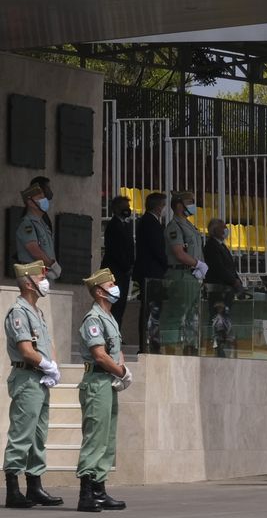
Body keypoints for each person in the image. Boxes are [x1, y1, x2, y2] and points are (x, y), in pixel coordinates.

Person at [4, 260, 60, 508]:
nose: (43, 282)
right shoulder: (19, 312)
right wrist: (46, 365)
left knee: (38, 435)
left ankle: (34, 486)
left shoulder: (37, 311)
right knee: (22, 433)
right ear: (28, 282)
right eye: (39, 278)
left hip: (40, 378)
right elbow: (26, 350)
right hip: (27, 377)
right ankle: (13, 489)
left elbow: (47, 344)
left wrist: (53, 366)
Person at [76, 268, 130, 512]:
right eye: (110, 285)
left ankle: (99, 489)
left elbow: (115, 349)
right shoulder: (94, 319)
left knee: (107, 440)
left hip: (108, 382)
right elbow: (99, 354)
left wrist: (121, 367)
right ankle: (86, 494)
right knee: (95, 438)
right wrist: (122, 373)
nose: (114, 288)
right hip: (97, 381)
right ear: (99, 291)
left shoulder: (109, 317)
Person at [159, 191, 207, 356]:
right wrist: (198, 264)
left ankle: (189, 348)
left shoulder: (189, 225)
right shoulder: (175, 226)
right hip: (180, 274)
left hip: (191, 276)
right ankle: (170, 349)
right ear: (179, 205)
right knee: (176, 314)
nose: (193, 205)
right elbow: (179, 253)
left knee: (192, 315)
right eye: (190, 202)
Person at [202, 219, 245, 358]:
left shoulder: (222, 246)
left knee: (224, 318)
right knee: (217, 318)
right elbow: (219, 268)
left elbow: (230, 267)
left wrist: (237, 280)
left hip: (226, 289)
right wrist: (233, 281)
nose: (226, 230)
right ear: (214, 230)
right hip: (218, 288)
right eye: (223, 228)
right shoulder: (211, 246)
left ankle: (222, 344)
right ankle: (217, 345)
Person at [133, 193, 169, 354]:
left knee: (153, 309)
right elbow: (157, 249)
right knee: (151, 309)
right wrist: (167, 264)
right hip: (151, 272)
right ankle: (148, 344)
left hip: (151, 271)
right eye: (163, 205)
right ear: (158, 206)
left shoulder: (149, 222)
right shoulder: (150, 222)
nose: (164, 209)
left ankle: (150, 343)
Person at [100, 196, 136, 327]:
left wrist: (131, 265)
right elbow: (115, 251)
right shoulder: (113, 226)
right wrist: (126, 266)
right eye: (123, 207)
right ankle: (110, 334)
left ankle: (116, 332)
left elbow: (130, 248)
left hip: (124, 273)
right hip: (115, 272)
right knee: (113, 304)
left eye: (128, 207)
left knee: (120, 306)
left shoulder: (126, 225)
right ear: (115, 209)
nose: (127, 210)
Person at [15, 183, 59, 283]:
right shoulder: (27, 225)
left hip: (44, 275)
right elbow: (33, 249)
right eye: (40, 198)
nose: (45, 201)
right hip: (32, 278)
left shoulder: (42, 224)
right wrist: (52, 265)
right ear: (30, 202)